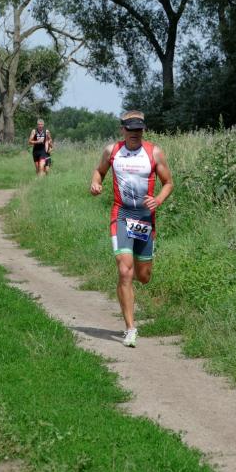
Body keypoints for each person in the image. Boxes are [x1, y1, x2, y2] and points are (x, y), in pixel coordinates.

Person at [90, 110, 173, 347]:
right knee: (125, 271)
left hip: (145, 218)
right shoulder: (112, 151)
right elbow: (99, 172)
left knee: (143, 276)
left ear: (143, 130)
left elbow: (169, 183)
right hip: (122, 214)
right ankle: (130, 328)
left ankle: (132, 273)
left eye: (139, 129)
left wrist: (158, 200)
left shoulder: (154, 152)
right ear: (122, 130)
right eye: (130, 129)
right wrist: (95, 183)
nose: (135, 133)